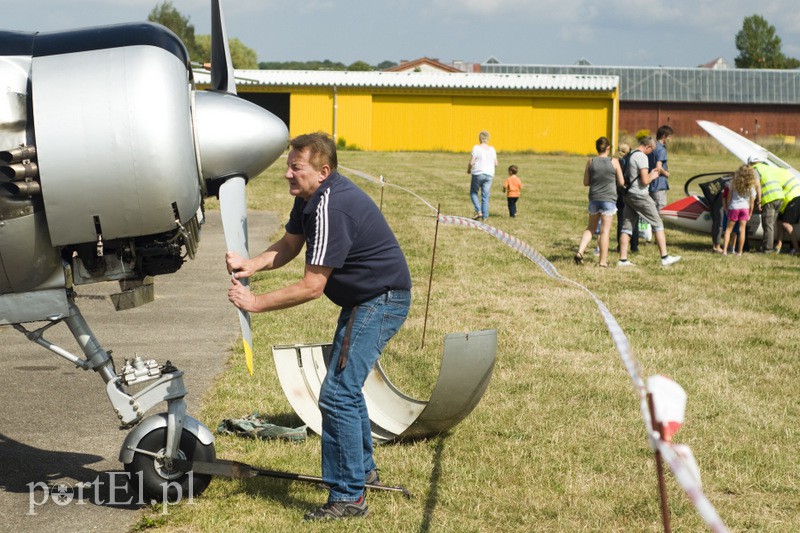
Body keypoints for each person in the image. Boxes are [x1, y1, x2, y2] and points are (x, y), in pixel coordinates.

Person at [226, 132, 412, 521]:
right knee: (345, 388)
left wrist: (255, 302)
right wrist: (251, 264)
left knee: (337, 394)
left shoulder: (331, 206)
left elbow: (312, 287)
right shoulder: (309, 198)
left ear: (323, 171)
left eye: (296, 167)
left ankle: (349, 498)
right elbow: (290, 245)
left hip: (381, 300)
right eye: (288, 166)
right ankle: (362, 472)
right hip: (364, 299)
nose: (287, 174)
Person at [617, 136, 682, 267]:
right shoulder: (642, 157)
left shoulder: (630, 154)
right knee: (658, 223)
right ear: (648, 147)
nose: (651, 153)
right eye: (651, 150)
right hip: (640, 195)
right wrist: (653, 175)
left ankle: (622, 260)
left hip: (628, 195)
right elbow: (645, 180)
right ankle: (665, 257)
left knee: (627, 227)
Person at [575, 137, 625, 267]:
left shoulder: (591, 161)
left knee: (590, 228)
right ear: (608, 148)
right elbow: (621, 182)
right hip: (609, 199)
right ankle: (602, 261)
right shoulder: (614, 161)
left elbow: (586, 182)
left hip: (594, 198)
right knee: (605, 231)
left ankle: (580, 251)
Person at [748, 155, 784, 252]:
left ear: (751, 163)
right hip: (780, 196)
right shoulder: (768, 168)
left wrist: (759, 202)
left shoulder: (755, 169)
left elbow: (758, 186)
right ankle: (767, 244)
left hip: (769, 198)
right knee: (771, 224)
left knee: (767, 224)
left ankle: (767, 248)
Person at [722, 165, 757, 256]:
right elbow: (752, 201)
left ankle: (724, 251)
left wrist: (728, 208)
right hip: (745, 208)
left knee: (728, 230)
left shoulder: (733, 183)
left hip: (734, 207)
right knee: (742, 230)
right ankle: (739, 252)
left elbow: (729, 198)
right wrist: (750, 212)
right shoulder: (751, 186)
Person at [468, 130, 498, 221]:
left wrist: (468, 170)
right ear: (488, 139)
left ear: (480, 138)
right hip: (489, 175)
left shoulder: (476, 148)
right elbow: (496, 164)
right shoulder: (492, 149)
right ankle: (485, 217)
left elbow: (471, 162)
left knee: (473, 193)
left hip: (478, 173)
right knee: (485, 196)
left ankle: (479, 211)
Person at [615, 143, 639, 253]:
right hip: (632, 191)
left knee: (621, 220)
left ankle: (620, 246)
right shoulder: (632, 161)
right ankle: (634, 246)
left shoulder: (616, 162)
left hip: (620, 193)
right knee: (634, 220)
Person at [774, 165, 800, 254]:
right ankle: (778, 246)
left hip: (794, 198)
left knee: (785, 224)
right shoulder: (781, 171)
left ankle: (796, 248)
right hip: (786, 202)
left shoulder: (774, 176)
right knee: (779, 222)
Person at [648, 125, 673, 211]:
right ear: (663, 136)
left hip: (650, 182)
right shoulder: (661, 149)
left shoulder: (652, 147)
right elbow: (658, 167)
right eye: (669, 136)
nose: (670, 139)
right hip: (659, 184)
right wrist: (666, 173)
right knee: (660, 209)